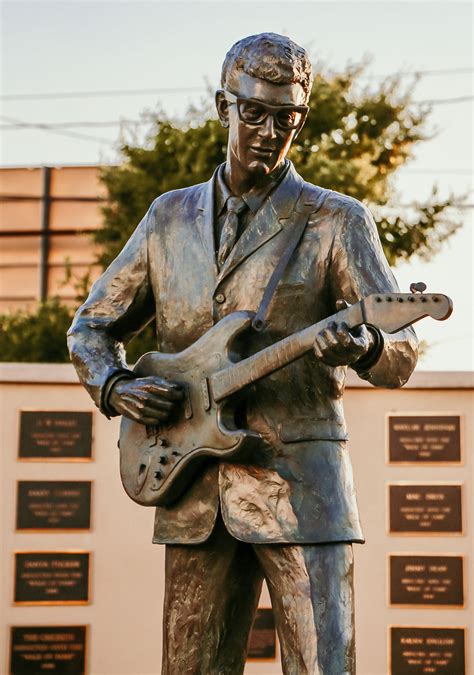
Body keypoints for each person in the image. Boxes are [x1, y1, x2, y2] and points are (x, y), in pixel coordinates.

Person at [68, 33, 418, 675]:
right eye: (252, 112)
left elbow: (401, 349)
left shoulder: (336, 220)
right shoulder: (167, 218)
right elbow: (90, 328)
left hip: (303, 490)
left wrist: (365, 343)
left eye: (284, 117)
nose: (266, 130)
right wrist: (116, 387)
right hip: (190, 484)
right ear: (222, 107)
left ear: (300, 119)